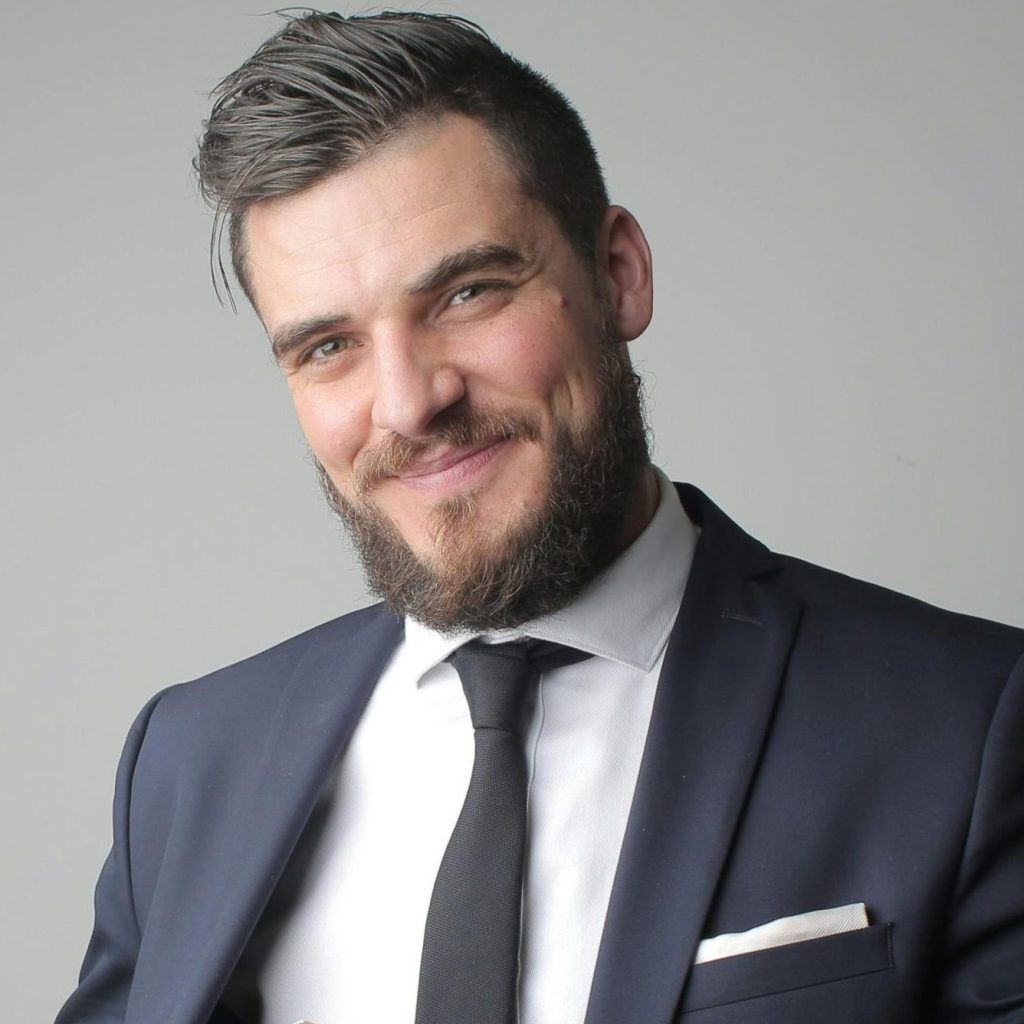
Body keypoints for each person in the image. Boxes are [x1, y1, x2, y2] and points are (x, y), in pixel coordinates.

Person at [57, 11, 1024, 1024]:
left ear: (618, 274)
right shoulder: (187, 762)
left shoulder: (968, 728)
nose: (408, 403)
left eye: (467, 293)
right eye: (328, 347)